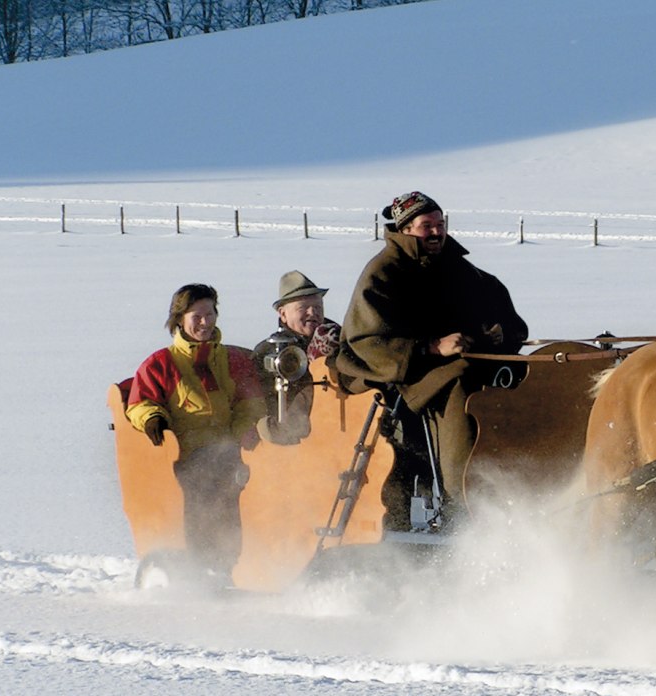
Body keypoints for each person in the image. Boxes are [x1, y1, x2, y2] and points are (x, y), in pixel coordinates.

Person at [335, 191, 528, 531]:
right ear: (406, 228)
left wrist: (503, 331)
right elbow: (365, 341)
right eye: (427, 225)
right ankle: (461, 503)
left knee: (525, 376)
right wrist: (431, 348)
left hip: (471, 366)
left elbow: (503, 310)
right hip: (405, 381)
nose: (437, 232)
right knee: (461, 386)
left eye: (440, 224)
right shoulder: (382, 273)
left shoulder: (460, 268)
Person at [125, 283, 266, 584]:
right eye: (196, 316)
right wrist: (154, 419)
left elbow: (249, 404)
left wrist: (245, 433)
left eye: (210, 313)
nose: (205, 322)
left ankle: (252, 564)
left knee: (259, 484)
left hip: (230, 453)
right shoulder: (161, 363)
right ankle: (208, 565)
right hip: (186, 459)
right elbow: (141, 403)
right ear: (179, 320)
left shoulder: (233, 360)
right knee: (209, 487)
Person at [252, 271, 341, 444]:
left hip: (341, 427)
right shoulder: (268, 350)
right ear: (283, 313)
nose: (312, 313)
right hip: (294, 440)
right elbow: (260, 401)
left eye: (317, 307)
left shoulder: (338, 340)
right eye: (303, 308)